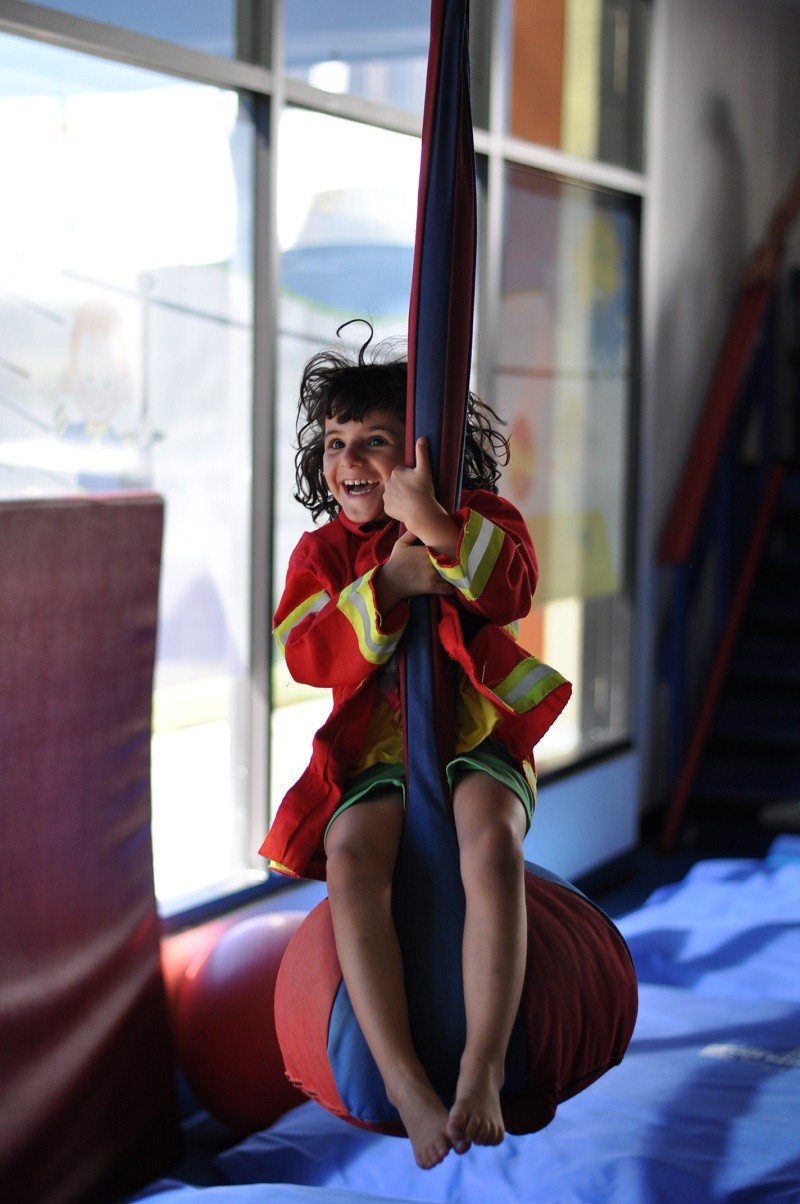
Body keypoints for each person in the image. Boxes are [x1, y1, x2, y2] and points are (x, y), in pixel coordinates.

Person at [261, 323, 570, 1170]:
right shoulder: (322, 553)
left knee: (490, 843)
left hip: (475, 733)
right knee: (352, 860)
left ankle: (483, 1064)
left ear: (423, 452)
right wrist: (386, 585)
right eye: (336, 443)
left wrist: (433, 522)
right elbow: (304, 651)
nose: (350, 460)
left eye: (375, 441)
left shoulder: (479, 518)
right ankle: (403, 1079)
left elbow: (510, 589)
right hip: (375, 753)